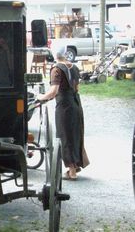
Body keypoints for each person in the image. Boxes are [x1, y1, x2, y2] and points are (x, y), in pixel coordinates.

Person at [37, 45, 89, 180]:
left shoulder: (56, 69)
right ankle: (75, 166)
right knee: (75, 134)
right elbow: (77, 87)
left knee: (65, 136)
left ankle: (72, 171)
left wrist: (40, 97)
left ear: (55, 54)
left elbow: (54, 91)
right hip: (76, 104)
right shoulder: (75, 67)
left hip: (64, 106)